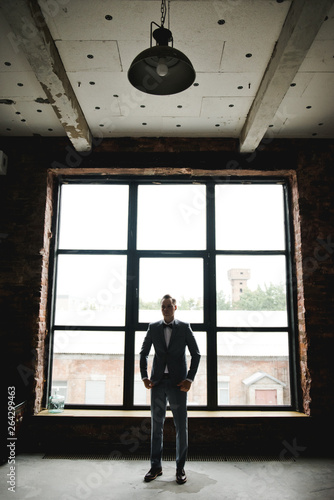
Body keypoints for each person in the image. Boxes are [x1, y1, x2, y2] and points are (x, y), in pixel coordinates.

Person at [140, 294, 201, 485]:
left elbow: (196, 354)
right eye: (163, 306)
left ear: (175, 307)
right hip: (157, 383)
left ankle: (180, 468)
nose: (165, 309)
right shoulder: (153, 327)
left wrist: (189, 379)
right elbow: (143, 353)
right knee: (156, 426)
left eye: (168, 306)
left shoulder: (184, 327)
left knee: (180, 426)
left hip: (178, 384)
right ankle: (155, 467)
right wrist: (144, 376)